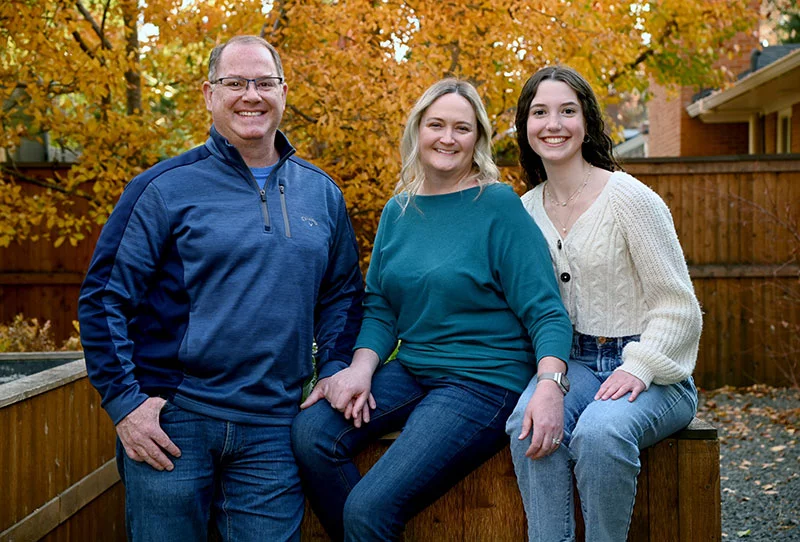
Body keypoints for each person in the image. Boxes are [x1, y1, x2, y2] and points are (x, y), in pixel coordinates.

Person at [77, 35, 364, 541]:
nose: (250, 95)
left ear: (283, 91)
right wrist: (124, 403)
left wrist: (336, 369)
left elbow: (342, 294)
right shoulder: (162, 188)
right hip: (172, 419)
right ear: (209, 94)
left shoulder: (321, 193)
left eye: (264, 82)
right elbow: (105, 299)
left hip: (274, 428)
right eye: (235, 83)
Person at [290, 78, 573, 541]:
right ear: (417, 130)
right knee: (311, 434)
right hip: (415, 368)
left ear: (477, 138)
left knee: (369, 508)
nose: (447, 137)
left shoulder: (497, 206)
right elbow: (380, 305)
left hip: (484, 381)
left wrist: (550, 385)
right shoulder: (397, 211)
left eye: (461, 128)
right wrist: (360, 369)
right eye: (436, 124)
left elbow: (545, 311)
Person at [505, 65, 703, 541]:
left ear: (587, 122)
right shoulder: (524, 210)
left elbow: (679, 307)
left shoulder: (631, 199)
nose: (553, 124)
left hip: (653, 369)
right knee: (527, 424)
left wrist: (637, 367)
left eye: (567, 111)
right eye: (540, 112)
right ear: (525, 127)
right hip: (571, 365)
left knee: (600, 434)